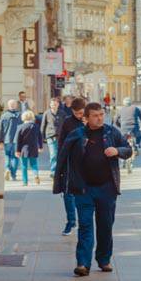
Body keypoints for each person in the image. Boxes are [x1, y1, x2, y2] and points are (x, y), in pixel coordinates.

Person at [54, 101, 133, 276]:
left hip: (107, 188)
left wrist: (117, 151)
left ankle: (104, 260)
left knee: (105, 226)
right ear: (86, 117)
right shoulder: (77, 135)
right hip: (83, 189)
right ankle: (83, 263)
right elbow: (62, 157)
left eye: (101, 115)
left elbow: (128, 150)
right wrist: (61, 182)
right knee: (85, 226)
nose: (99, 119)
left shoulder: (111, 132)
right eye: (95, 116)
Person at [53, 94, 87, 235]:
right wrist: (59, 163)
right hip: (70, 163)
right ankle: (71, 222)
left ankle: (84, 222)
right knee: (68, 194)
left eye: (81, 113)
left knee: (85, 195)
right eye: (76, 113)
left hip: (87, 164)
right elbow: (61, 142)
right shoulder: (68, 122)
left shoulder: (91, 119)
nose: (79, 116)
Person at [14, 110, 43, 185]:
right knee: (34, 164)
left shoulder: (20, 127)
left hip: (24, 149)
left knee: (24, 166)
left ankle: (25, 182)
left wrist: (17, 150)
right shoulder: (36, 126)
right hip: (34, 148)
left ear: (23, 117)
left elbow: (18, 140)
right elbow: (40, 137)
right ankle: (36, 175)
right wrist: (40, 147)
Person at [0, 99, 21, 181]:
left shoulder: (4, 115)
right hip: (17, 140)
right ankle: (13, 175)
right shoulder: (20, 115)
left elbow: (0, 129)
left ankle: (7, 169)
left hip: (7, 139)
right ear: (16, 105)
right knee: (15, 157)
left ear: (8, 106)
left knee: (7, 156)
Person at [122, 97, 141, 174]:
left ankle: (123, 158)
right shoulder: (135, 108)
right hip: (134, 129)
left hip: (124, 130)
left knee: (123, 143)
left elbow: (115, 119)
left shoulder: (120, 109)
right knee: (139, 136)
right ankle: (137, 145)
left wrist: (119, 125)